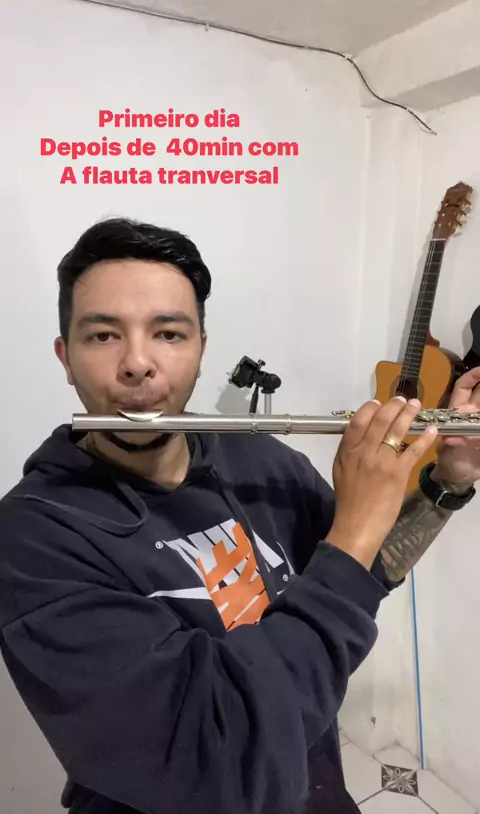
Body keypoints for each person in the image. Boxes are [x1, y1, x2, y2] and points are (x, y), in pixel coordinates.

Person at [0, 218, 479, 814]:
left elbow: (360, 572)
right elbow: (217, 765)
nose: (137, 363)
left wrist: (449, 481)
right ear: (66, 357)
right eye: (102, 335)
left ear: (201, 348)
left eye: (168, 333)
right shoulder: (33, 539)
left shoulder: (260, 461)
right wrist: (356, 527)